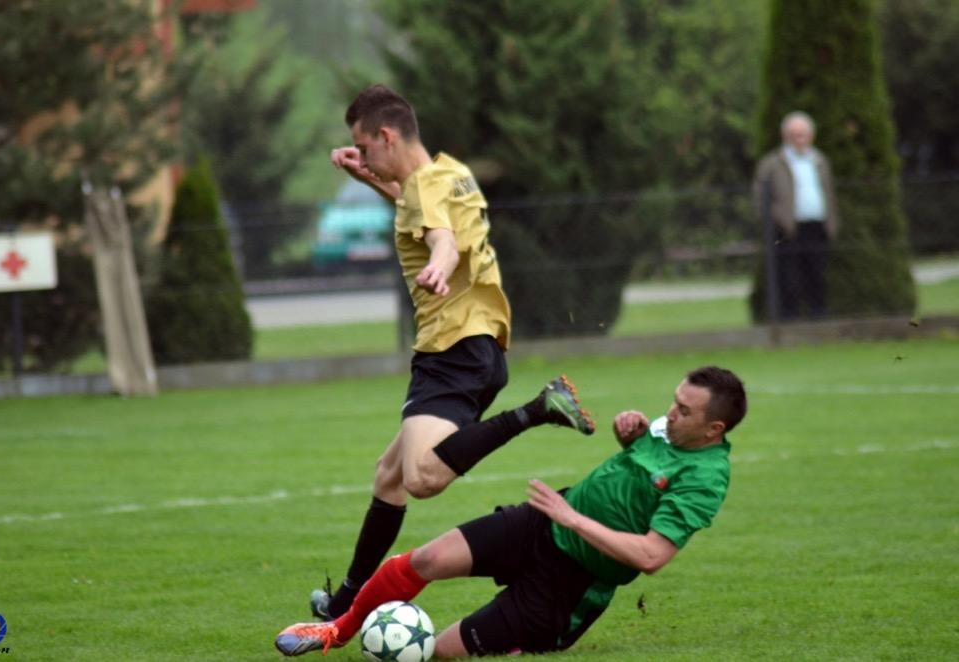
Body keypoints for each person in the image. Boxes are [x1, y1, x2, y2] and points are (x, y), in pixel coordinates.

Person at [307, 84, 597, 621]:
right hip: (481, 345)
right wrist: (365, 176)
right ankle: (347, 602)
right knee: (390, 474)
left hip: (451, 349)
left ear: (386, 136)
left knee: (420, 478)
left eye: (365, 148)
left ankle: (538, 409)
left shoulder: (424, 188)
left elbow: (440, 239)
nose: (363, 157)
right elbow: (418, 210)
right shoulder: (450, 173)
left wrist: (439, 267)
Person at [276, 366, 748, 658]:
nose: (671, 412)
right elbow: (641, 469)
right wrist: (631, 436)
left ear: (714, 429)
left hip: (571, 580)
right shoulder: (670, 427)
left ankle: (532, 638)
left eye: (685, 410)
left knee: (439, 651)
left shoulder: (706, 479)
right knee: (427, 559)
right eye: (674, 401)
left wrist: (574, 519)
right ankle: (336, 630)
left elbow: (651, 556)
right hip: (543, 521)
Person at [753, 110, 840, 320]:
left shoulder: (819, 160)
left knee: (817, 272)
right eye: (794, 135)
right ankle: (789, 319)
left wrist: (832, 222)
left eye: (802, 134)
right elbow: (761, 197)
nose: (799, 139)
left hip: (816, 225)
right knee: (788, 275)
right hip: (786, 229)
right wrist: (776, 219)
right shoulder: (773, 163)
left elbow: (829, 193)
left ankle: (819, 316)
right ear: (785, 136)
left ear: (811, 135)